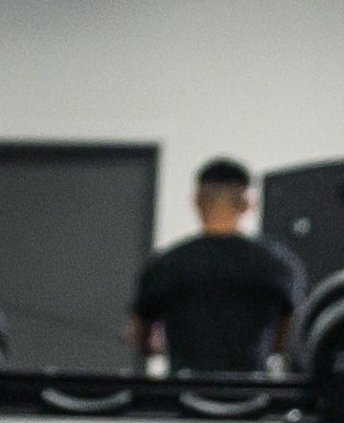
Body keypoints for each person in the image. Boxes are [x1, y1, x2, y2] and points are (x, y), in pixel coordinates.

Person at [127, 157, 299, 381]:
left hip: (185, 400)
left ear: (197, 201)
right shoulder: (278, 265)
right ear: (248, 204)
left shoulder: (166, 265)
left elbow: (141, 339)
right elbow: (288, 339)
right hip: (252, 401)